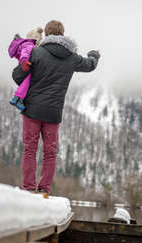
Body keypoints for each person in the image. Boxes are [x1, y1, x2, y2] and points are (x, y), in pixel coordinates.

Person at [20, 20, 100, 195]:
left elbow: (18, 75)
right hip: (53, 113)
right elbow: (90, 65)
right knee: (50, 153)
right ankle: (44, 190)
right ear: (63, 34)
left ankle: (28, 189)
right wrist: (94, 54)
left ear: (46, 35)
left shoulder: (36, 52)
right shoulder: (72, 58)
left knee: (29, 150)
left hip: (31, 110)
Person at [8, 27, 43, 111]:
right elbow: (25, 53)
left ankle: (19, 98)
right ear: (36, 39)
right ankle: (17, 98)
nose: (40, 42)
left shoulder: (26, 44)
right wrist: (24, 61)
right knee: (28, 80)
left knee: (26, 81)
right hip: (25, 65)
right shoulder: (29, 44)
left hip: (24, 65)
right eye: (40, 40)